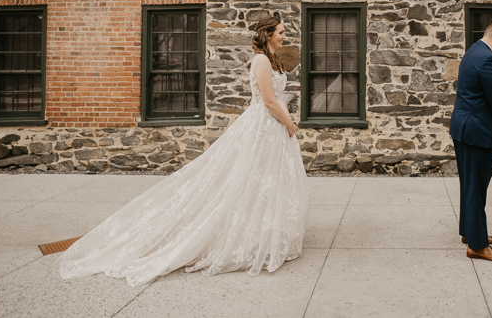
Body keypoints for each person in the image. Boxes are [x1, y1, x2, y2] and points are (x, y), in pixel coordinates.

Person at [60, 16, 309, 287]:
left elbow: (280, 95)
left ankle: (265, 231)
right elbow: (268, 101)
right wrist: (290, 124)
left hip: (276, 130)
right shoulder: (261, 60)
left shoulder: (274, 59)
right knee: (246, 180)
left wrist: (286, 123)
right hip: (264, 126)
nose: (285, 36)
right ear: (267, 33)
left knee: (267, 181)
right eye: (281, 32)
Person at [449, 21, 492, 262]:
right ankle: (477, 245)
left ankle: (471, 232)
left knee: (470, 184)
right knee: (476, 187)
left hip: (464, 128)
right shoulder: (489, 59)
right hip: (476, 132)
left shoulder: (473, 51)